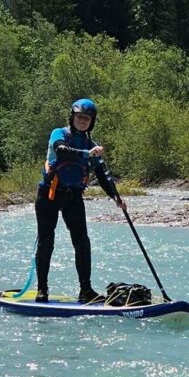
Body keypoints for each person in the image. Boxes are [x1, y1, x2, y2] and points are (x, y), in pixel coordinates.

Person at [34, 98, 124, 304]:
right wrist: (87, 153)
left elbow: (102, 175)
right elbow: (62, 151)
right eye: (79, 117)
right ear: (72, 117)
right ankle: (42, 290)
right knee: (47, 241)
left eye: (87, 118)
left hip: (73, 197)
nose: (82, 121)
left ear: (91, 122)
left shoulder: (91, 146)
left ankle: (86, 291)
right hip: (49, 194)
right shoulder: (59, 134)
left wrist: (115, 196)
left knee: (82, 242)